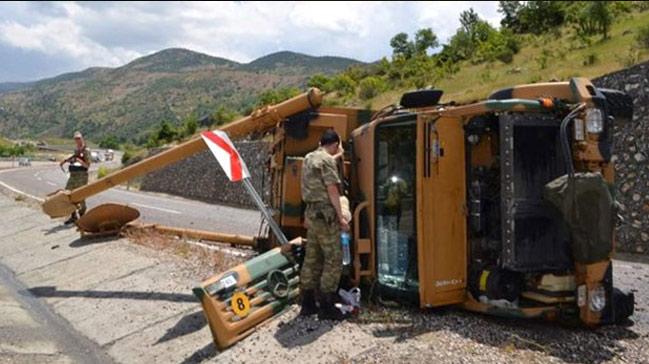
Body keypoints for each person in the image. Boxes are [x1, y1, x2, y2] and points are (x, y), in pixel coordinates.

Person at [299, 129, 349, 320]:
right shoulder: (327, 161)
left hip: (312, 214)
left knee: (312, 257)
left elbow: (322, 163)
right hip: (326, 215)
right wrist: (341, 218)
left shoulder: (308, 158)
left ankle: (308, 303)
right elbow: (332, 190)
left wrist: (337, 155)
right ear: (335, 144)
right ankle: (327, 305)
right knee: (333, 258)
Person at [59, 131, 90, 225]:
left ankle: (82, 218)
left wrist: (79, 160)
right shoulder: (77, 150)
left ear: (82, 138)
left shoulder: (86, 150)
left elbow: (87, 165)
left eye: (79, 138)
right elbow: (74, 156)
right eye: (76, 139)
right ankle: (73, 216)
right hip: (73, 175)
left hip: (81, 176)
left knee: (80, 196)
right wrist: (64, 161)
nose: (77, 140)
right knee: (68, 194)